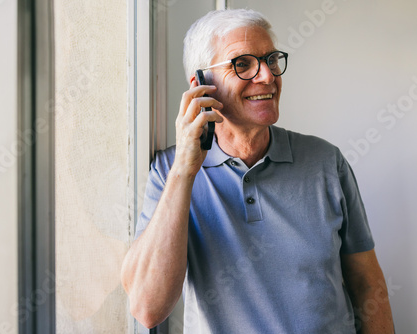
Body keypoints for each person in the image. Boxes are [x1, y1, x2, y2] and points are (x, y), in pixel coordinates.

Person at [121, 9, 394, 334]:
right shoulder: (170, 172)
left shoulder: (326, 162)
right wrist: (184, 171)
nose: (267, 76)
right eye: (243, 64)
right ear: (201, 85)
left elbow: (367, 285)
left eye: (271, 59)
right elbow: (147, 309)